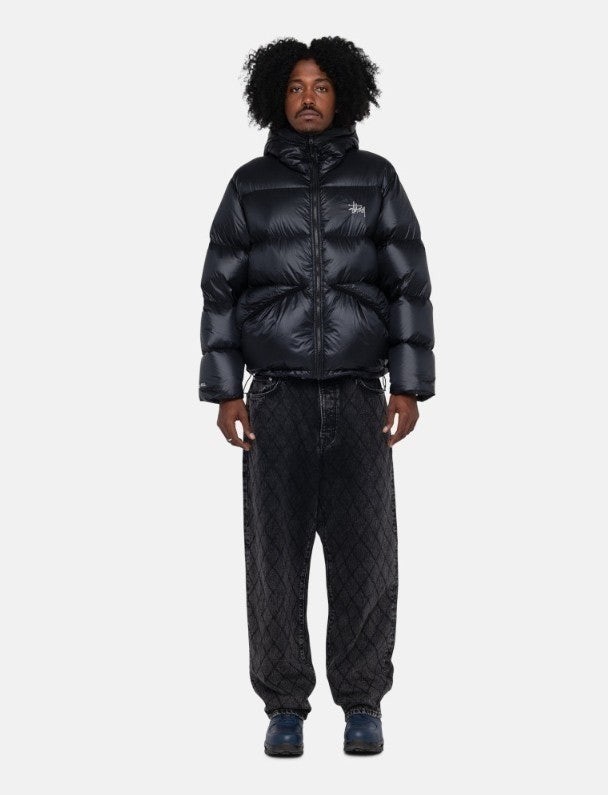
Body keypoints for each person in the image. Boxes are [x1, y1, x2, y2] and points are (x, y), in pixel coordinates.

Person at [198, 36, 435, 756]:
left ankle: (362, 701)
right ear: (277, 96)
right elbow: (220, 291)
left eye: (322, 87)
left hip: (362, 395)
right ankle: (284, 705)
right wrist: (225, 392)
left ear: (344, 97)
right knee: (276, 560)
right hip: (275, 399)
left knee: (367, 557)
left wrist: (409, 384)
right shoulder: (247, 186)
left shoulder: (377, 179)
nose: (308, 98)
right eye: (297, 87)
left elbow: (408, 283)